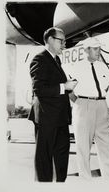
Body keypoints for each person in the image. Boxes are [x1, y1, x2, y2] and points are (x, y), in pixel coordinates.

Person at [28, 27, 78, 182]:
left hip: (59, 118)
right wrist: (65, 86)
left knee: (61, 157)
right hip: (47, 118)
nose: (64, 44)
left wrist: (73, 95)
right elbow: (39, 88)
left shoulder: (56, 60)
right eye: (61, 41)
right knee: (44, 158)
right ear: (50, 40)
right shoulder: (40, 59)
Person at [69, 37, 109, 180]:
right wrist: (79, 102)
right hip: (83, 106)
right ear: (87, 50)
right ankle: (86, 183)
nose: (98, 52)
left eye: (99, 49)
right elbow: (69, 90)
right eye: (96, 49)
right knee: (83, 147)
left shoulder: (102, 66)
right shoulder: (76, 66)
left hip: (102, 105)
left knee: (106, 146)